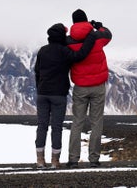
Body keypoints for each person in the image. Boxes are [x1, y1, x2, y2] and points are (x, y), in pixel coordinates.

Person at [33, 23, 97, 169]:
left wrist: (40, 88)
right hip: (58, 94)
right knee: (56, 128)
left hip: (42, 93)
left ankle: (40, 160)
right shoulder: (64, 51)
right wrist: (90, 37)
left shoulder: (43, 50)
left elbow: (37, 71)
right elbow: (80, 55)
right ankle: (55, 161)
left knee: (42, 126)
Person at [65, 8, 113, 168]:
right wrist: (98, 26)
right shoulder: (97, 37)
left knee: (77, 122)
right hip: (98, 86)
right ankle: (94, 159)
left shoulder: (69, 41)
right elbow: (108, 34)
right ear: (86, 20)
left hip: (80, 87)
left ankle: (73, 159)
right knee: (96, 122)